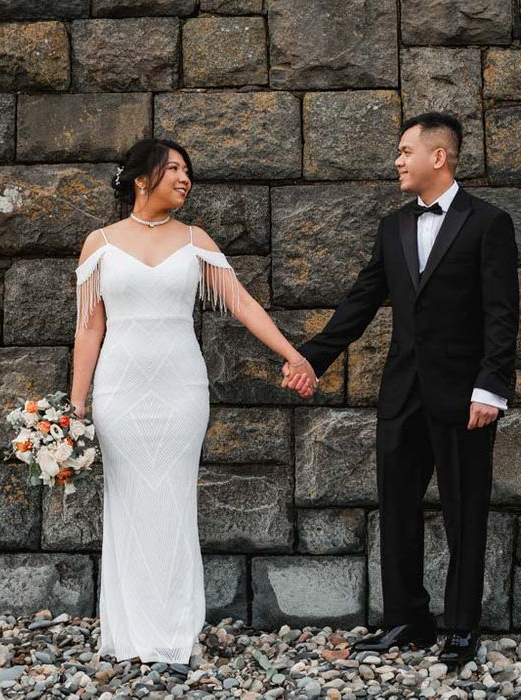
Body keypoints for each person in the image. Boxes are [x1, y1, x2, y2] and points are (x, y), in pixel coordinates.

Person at [284, 112, 519, 666]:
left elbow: (502, 316)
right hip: (402, 395)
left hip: (466, 399)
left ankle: (462, 628)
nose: (397, 160)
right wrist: (312, 359)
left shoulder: (489, 224)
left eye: (404, 150)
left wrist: (491, 387)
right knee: (397, 509)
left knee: (466, 511)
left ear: (438, 156)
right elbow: (362, 301)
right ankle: (407, 621)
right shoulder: (392, 226)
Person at [70, 138, 316, 663]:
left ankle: (176, 631)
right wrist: (77, 405)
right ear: (142, 178)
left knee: (174, 500)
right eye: (174, 169)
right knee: (129, 501)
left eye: (187, 171)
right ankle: (132, 632)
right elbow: (88, 329)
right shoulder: (100, 244)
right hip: (121, 389)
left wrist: (294, 356)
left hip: (181, 389)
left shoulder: (195, 239)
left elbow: (243, 303)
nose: (185, 179)